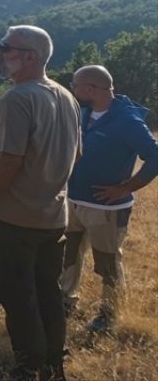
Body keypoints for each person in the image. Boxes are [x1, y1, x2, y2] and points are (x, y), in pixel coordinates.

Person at [0, 25, 80, 381]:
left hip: (12, 220)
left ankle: (27, 367)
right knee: (48, 293)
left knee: (15, 294)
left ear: (30, 57)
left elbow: (10, 160)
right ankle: (54, 366)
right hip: (53, 218)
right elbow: (77, 155)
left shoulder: (17, 99)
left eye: (6, 48)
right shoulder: (66, 97)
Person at [60, 64, 158, 333]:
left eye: (76, 83)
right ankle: (66, 300)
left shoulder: (127, 120)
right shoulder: (82, 113)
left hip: (107, 209)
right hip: (74, 202)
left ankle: (109, 314)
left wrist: (126, 187)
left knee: (107, 263)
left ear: (91, 89)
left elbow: (155, 157)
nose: (72, 87)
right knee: (69, 255)